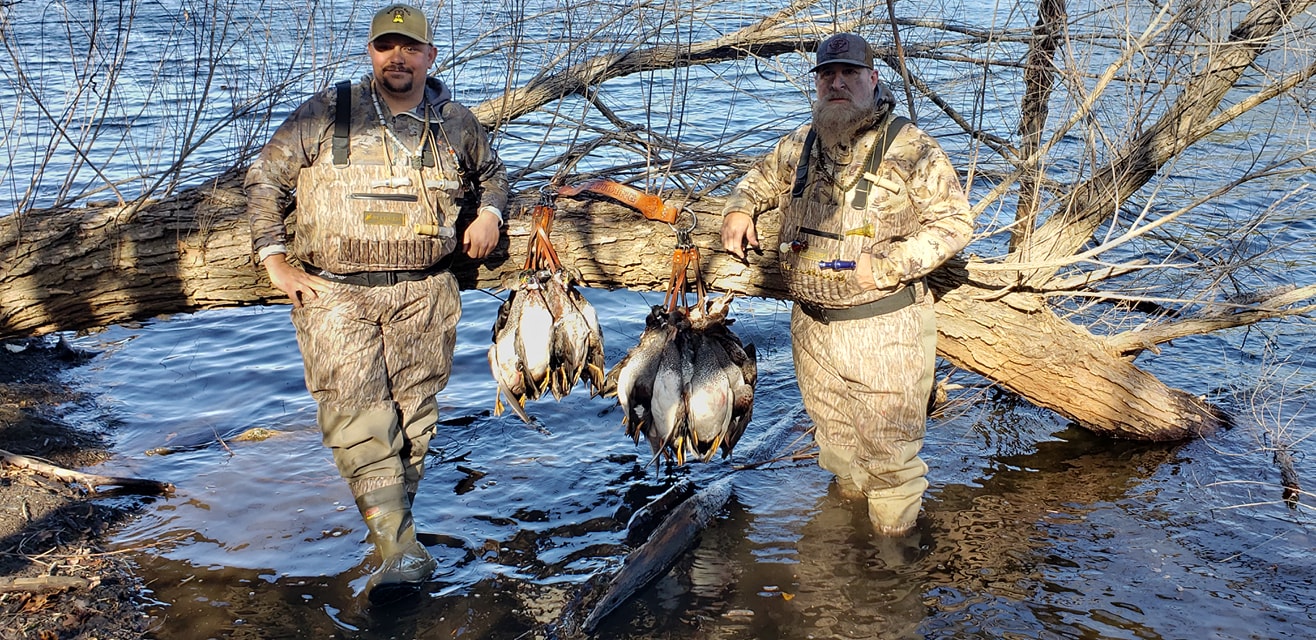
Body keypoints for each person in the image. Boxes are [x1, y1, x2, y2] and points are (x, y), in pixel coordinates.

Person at [245, 3, 508, 602]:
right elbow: (265, 180)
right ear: (371, 53)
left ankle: (395, 537)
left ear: (430, 56)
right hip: (334, 290)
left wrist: (491, 212)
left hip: (424, 291)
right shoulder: (326, 113)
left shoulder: (456, 123)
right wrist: (273, 259)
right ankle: (398, 550)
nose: (398, 58)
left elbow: (493, 175)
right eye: (387, 47)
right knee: (358, 414)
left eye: (410, 48)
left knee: (414, 419)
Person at [720, 33, 974, 537]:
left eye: (849, 74)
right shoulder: (803, 141)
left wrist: (884, 267)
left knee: (891, 467)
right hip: (813, 332)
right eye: (827, 74)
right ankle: (843, 565)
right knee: (836, 451)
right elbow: (759, 178)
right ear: (817, 82)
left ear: (872, 79)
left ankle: (893, 579)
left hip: (883, 330)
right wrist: (738, 208)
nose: (837, 83)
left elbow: (955, 224)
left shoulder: (912, 147)